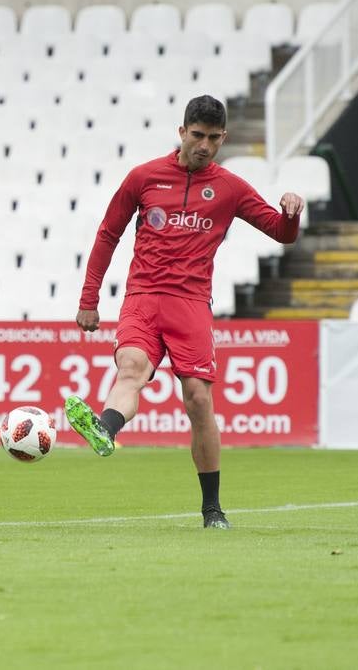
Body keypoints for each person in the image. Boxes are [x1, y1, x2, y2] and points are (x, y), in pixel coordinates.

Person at [64, 95, 303, 530]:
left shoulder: (229, 187)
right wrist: (88, 299)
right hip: (143, 296)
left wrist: (290, 213)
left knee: (197, 399)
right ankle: (106, 429)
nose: (204, 145)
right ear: (182, 132)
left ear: (223, 138)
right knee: (131, 367)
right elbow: (108, 234)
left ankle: (212, 509)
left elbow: (279, 232)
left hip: (191, 304)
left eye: (213, 138)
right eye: (197, 136)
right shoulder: (143, 177)